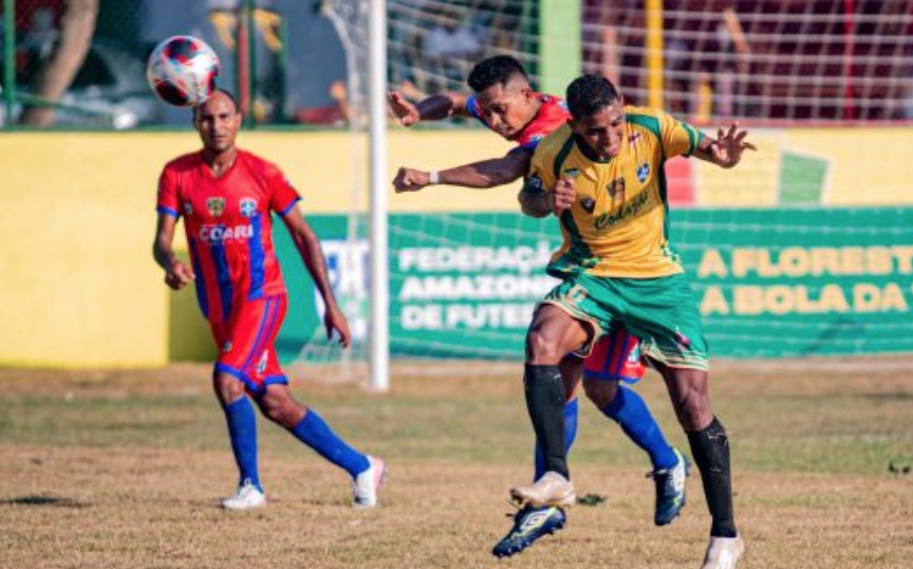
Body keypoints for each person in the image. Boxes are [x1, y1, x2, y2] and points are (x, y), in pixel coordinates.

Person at [388, 56, 688, 557]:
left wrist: (433, 176)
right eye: (489, 110)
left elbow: (507, 170)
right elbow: (456, 104)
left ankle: (666, 460)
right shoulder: (502, 106)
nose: (495, 119)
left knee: (595, 385)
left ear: (526, 96)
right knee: (562, 384)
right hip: (586, 273)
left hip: (627, 271)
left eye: (500, 109)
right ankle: (548, 497)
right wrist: (421, 109)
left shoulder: (549, 128)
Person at [510, 73, 754, 568]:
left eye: (615, 123)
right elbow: (528, 197)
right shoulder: (554, 152)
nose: (610, 137)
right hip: (595, 276)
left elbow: (709, 150)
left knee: (691, 404)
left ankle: (726, 535)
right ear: (575, 126)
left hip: (660, 281)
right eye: (596, 130)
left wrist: (723, 156)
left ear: (623, 107)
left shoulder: (653, 128)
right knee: (542, 340)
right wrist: (544, 202)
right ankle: (556, 476)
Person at [152, 89, 385, 511]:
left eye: (224, 117)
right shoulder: (177, 174)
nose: (216, 126)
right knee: (275, 403)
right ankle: (363, 466)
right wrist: (169, 263)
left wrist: (331, 304)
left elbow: (304, 235)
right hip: (219, 307)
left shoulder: (263, 173)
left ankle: (251, 487)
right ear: (195, 123)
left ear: (239, 119)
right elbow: (161, 242)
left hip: (263, 298)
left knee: (227, 379)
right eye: (207, 119)